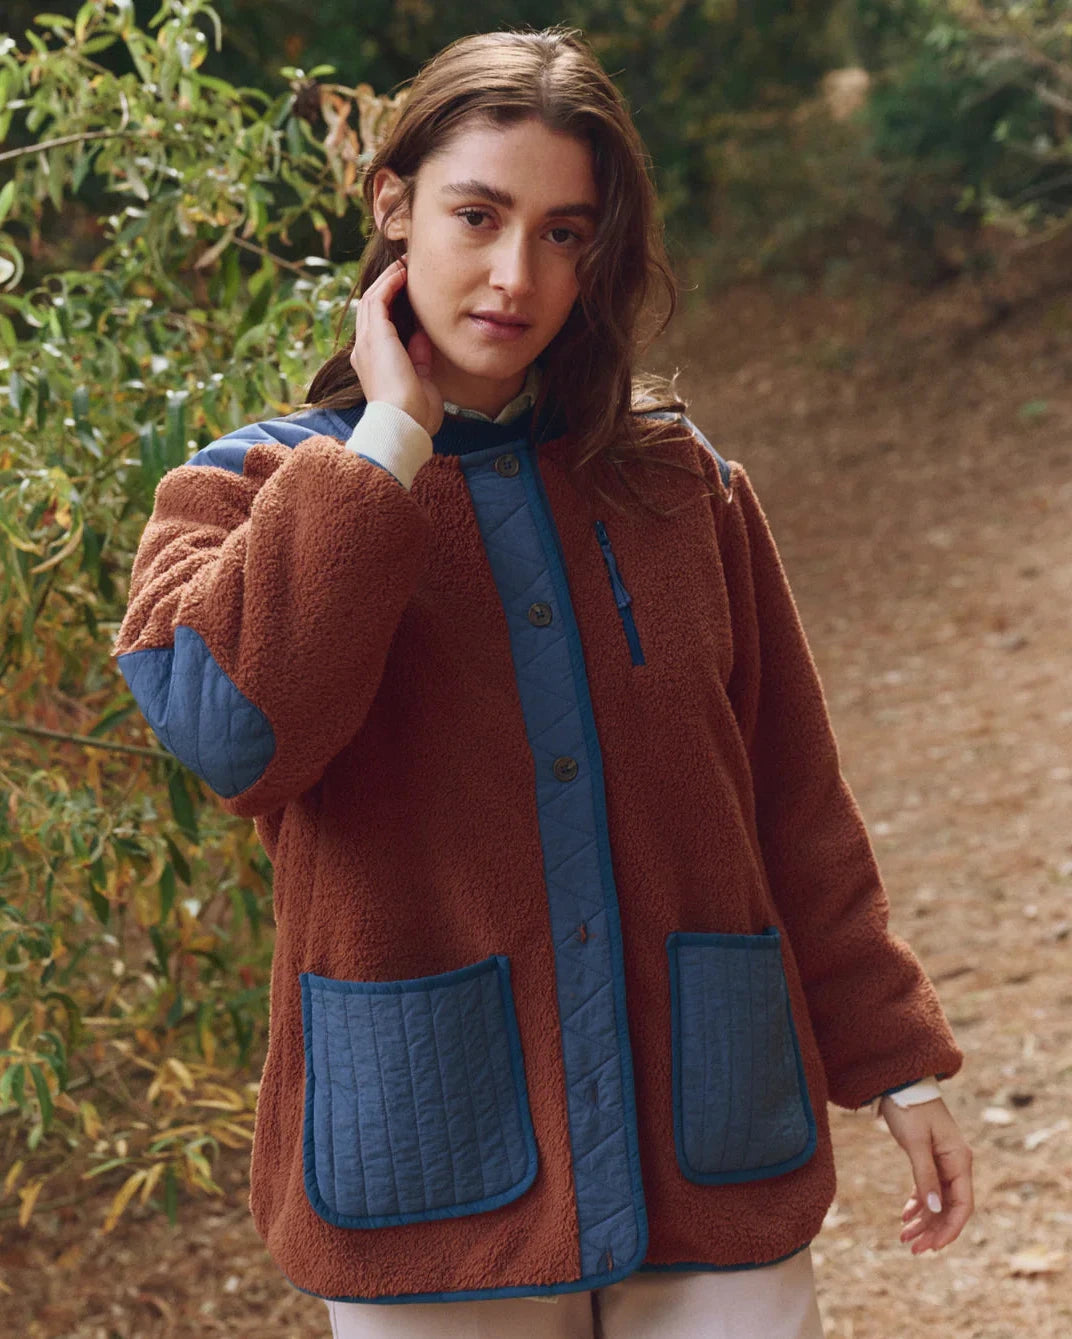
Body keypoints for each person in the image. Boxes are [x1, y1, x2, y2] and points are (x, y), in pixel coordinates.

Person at [112, 26, 974, 1339]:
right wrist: (390, 443)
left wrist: (896, 1062)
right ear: (395, 206)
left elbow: (795, 796)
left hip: (709, 1133)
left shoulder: (683, 488)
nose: (519, 272)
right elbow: (235, 738)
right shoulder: (241, 493)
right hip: (431, 1166)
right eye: (479, 214)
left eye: (566, 233)